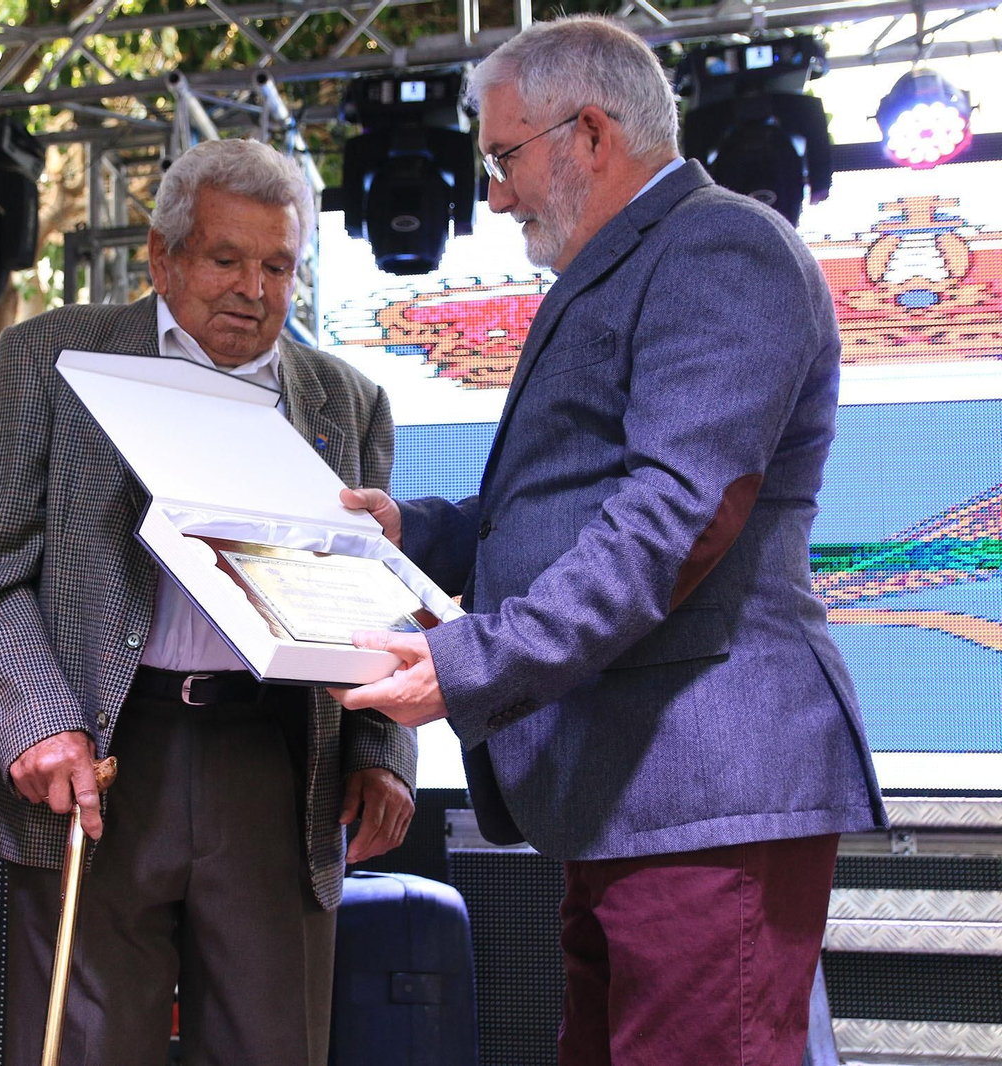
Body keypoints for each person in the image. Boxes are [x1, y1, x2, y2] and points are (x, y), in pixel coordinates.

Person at [332, 17, 886, 1066]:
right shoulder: (630, 260)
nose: (495, 196)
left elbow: (677, 518)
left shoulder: (720, 247)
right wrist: (413, 531)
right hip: (634, 791)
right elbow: (563, 506)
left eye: (502, 158)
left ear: (587, 133)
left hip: (704, 788)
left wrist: (471, 662)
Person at [0, 137, 417, 1066]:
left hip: (275, 761)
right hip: (97, 758)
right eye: (225, 259)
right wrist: (36, 724)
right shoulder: (50, 356)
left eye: (277, 266)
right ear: (162, 258)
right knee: (84, 1049)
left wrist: (382, 753)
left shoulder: (347, 400)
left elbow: (372, 598)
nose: (254, 289)